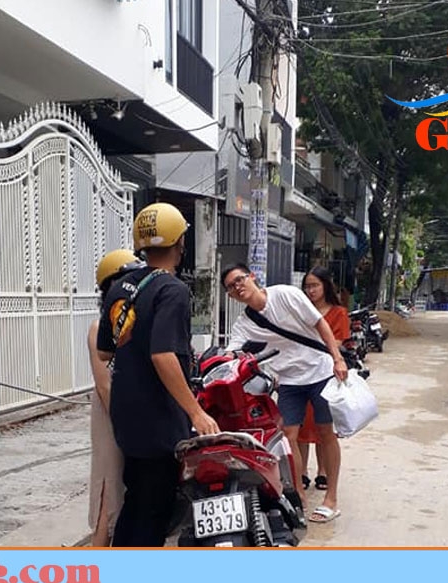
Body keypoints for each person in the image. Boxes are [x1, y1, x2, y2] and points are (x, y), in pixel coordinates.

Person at [97, 202, 220, 547]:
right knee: (155, 509)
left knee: (137, 498)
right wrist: (196, 412)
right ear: (180, 242)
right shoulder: (173, 290)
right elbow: (163, 355)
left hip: (127, 412)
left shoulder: (121, 286)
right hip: (158, 416)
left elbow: (105, 351)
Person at [222, 263, 348, 523]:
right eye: (231, 287)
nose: (237, 287)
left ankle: (332, 499)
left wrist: (338, 359)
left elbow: (320, 324)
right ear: (231, 296)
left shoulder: (285, 294)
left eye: (239, 280)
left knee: (326, 433)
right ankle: (299, 496)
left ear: (252, 277)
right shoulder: (244, 324)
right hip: (289, 381)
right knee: (288, 437)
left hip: (320, 371)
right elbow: (230, 354)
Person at [87, 249, 145, 546]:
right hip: (113, 414)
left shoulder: (137, 322)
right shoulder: (100, 328)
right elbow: (104, 385)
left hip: (136, 412)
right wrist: (125, 425)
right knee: (109, 485)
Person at [298, 267, 350, 505]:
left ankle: (323, 471)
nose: (311, 291)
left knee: (323, 427)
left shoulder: (338, 312)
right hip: (300, 373)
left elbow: (337, 342)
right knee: (300, 426)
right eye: (307, 286)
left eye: (315, 285)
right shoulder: (300, 311)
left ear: (325, 286)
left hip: (326, 373)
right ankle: (302, 472)